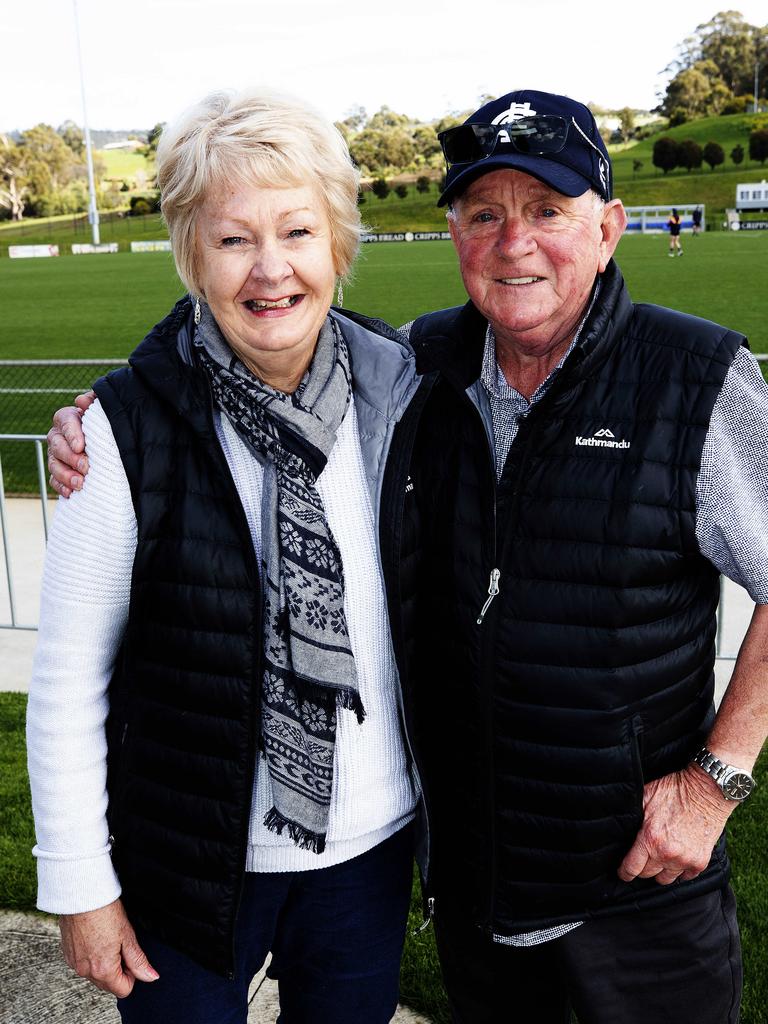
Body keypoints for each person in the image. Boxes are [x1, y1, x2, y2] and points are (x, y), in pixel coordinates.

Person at [48, 88, 768, 1024]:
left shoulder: (679, 376)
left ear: (610, 226)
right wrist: (96, 419)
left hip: (613, 885)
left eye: (548, 211)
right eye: (484, 215)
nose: (515, 244)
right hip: (409, 884)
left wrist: (717, 780)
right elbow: (71, 673)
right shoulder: (420, 368)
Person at [28, 88, 428, 1024]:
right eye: (233, 238)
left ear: (337, 245)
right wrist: (81, 886)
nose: (271, 268)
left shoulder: (405, 390)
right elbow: (67, 682)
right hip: (189, 865)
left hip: (366, 855)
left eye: (297, 231)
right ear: (192, 257)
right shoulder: (125, 430)